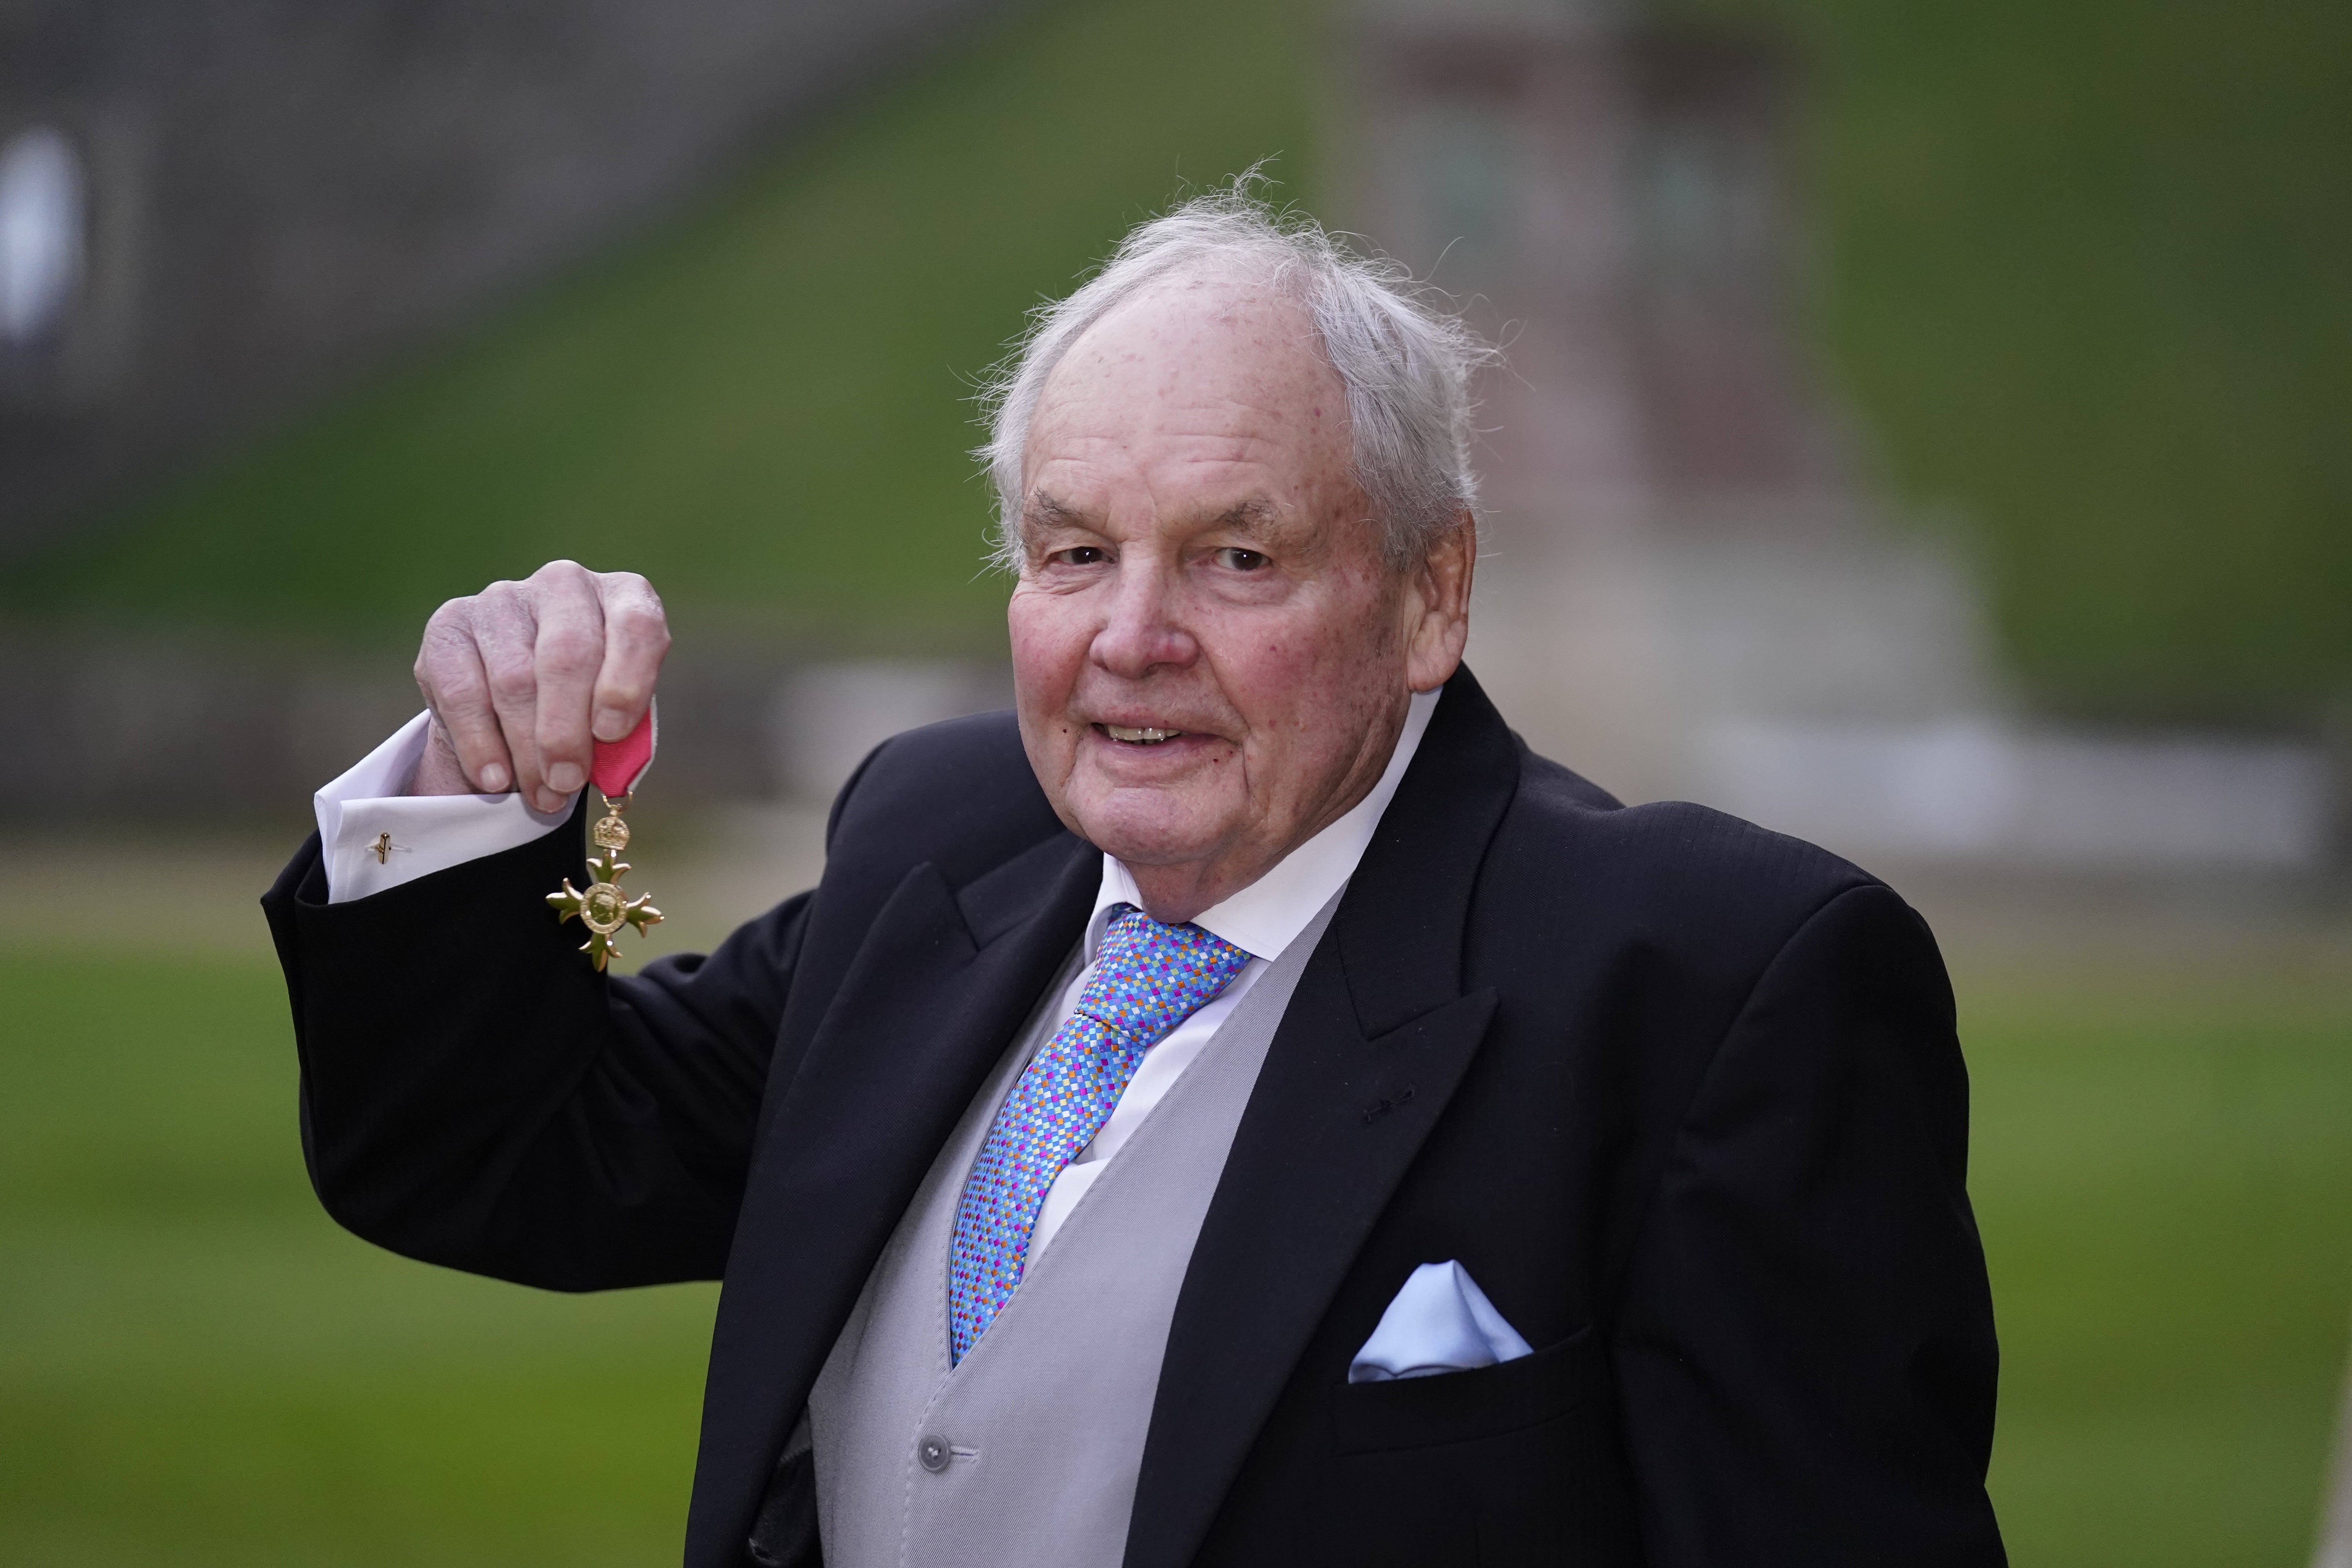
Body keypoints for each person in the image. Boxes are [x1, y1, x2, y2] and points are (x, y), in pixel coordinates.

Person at [262, 189, 2004, 1567]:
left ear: (1428, 596)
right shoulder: (940, 842)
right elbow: (498, 1151)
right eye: (1074, 551)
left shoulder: (1712, 988)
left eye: (1237, 556)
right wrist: (477, 779)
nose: (1134, 638)